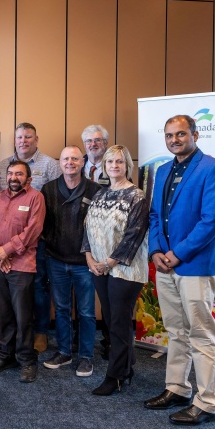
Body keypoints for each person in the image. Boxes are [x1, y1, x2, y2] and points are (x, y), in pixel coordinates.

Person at [144, 115, 215, 426]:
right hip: (165, 265)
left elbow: (212, 221)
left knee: (201, 335)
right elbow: (155, 215)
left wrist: (176, 254)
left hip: (194, 265)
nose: (174, 140)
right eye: (169, 135)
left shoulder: (213, 168)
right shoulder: (164, 170)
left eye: (181, 134)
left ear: (194, 134)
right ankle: (177, 388)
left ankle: (208, 402)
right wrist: (155, 250)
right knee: (176, 332)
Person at [81, 145, 149, 395]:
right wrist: (89, 258)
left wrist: (109, 261)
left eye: (120, 162)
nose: (114, 166)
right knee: (111, 321)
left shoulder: (136, 196)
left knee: (119, 323)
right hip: (98, 267)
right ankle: (127, 367)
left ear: (127, 166)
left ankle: (115, 376)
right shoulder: (100, 194)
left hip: (125, 270)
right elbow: (87, 228)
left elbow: (134, 236)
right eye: (110, 162)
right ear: (104, 166)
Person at [0, 122, 60, 353]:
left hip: (38, 239)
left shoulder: (50, 165)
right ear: (14, 140)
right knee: (11, 290)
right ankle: (14, 334)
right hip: (7, 242)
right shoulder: (4, 165)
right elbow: (0, 202)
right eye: (20, 137)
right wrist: (3, 247)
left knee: (38, 287)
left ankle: (40, 332)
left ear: (36, 139)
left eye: (28, 137)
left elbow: (55, 200)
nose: (23, 141)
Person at [0, 161, 45, 383]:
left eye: (19, 173)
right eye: (10, 173)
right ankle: (4, 355)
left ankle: (27, 360)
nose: (13, 177)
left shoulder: (35, 197)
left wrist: (6, 251)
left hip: (22, 265)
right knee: (4, 314)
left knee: (23, 315)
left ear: (28, 178)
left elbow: (33, 231)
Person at [41, 146, 100, 378]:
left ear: (82, 162)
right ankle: (64, 352)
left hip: (85, 262)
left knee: (86, 312)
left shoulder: (96, 190)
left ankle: (86, 356)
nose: (69, 163)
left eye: (75, 159)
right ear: (60, 162)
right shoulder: (48, 189)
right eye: (65, 159)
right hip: (55, 259)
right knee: (62, 309)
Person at [81, 124, 112, 360]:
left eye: (98, 140)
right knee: (80, 293)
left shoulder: (115, 165)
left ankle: (110, 340)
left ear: (106, 143)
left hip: (105, 241)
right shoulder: (74, 164)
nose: (93, 144)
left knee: (107, 295)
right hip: (76, 239)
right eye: (89, 141)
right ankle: (79, 338)